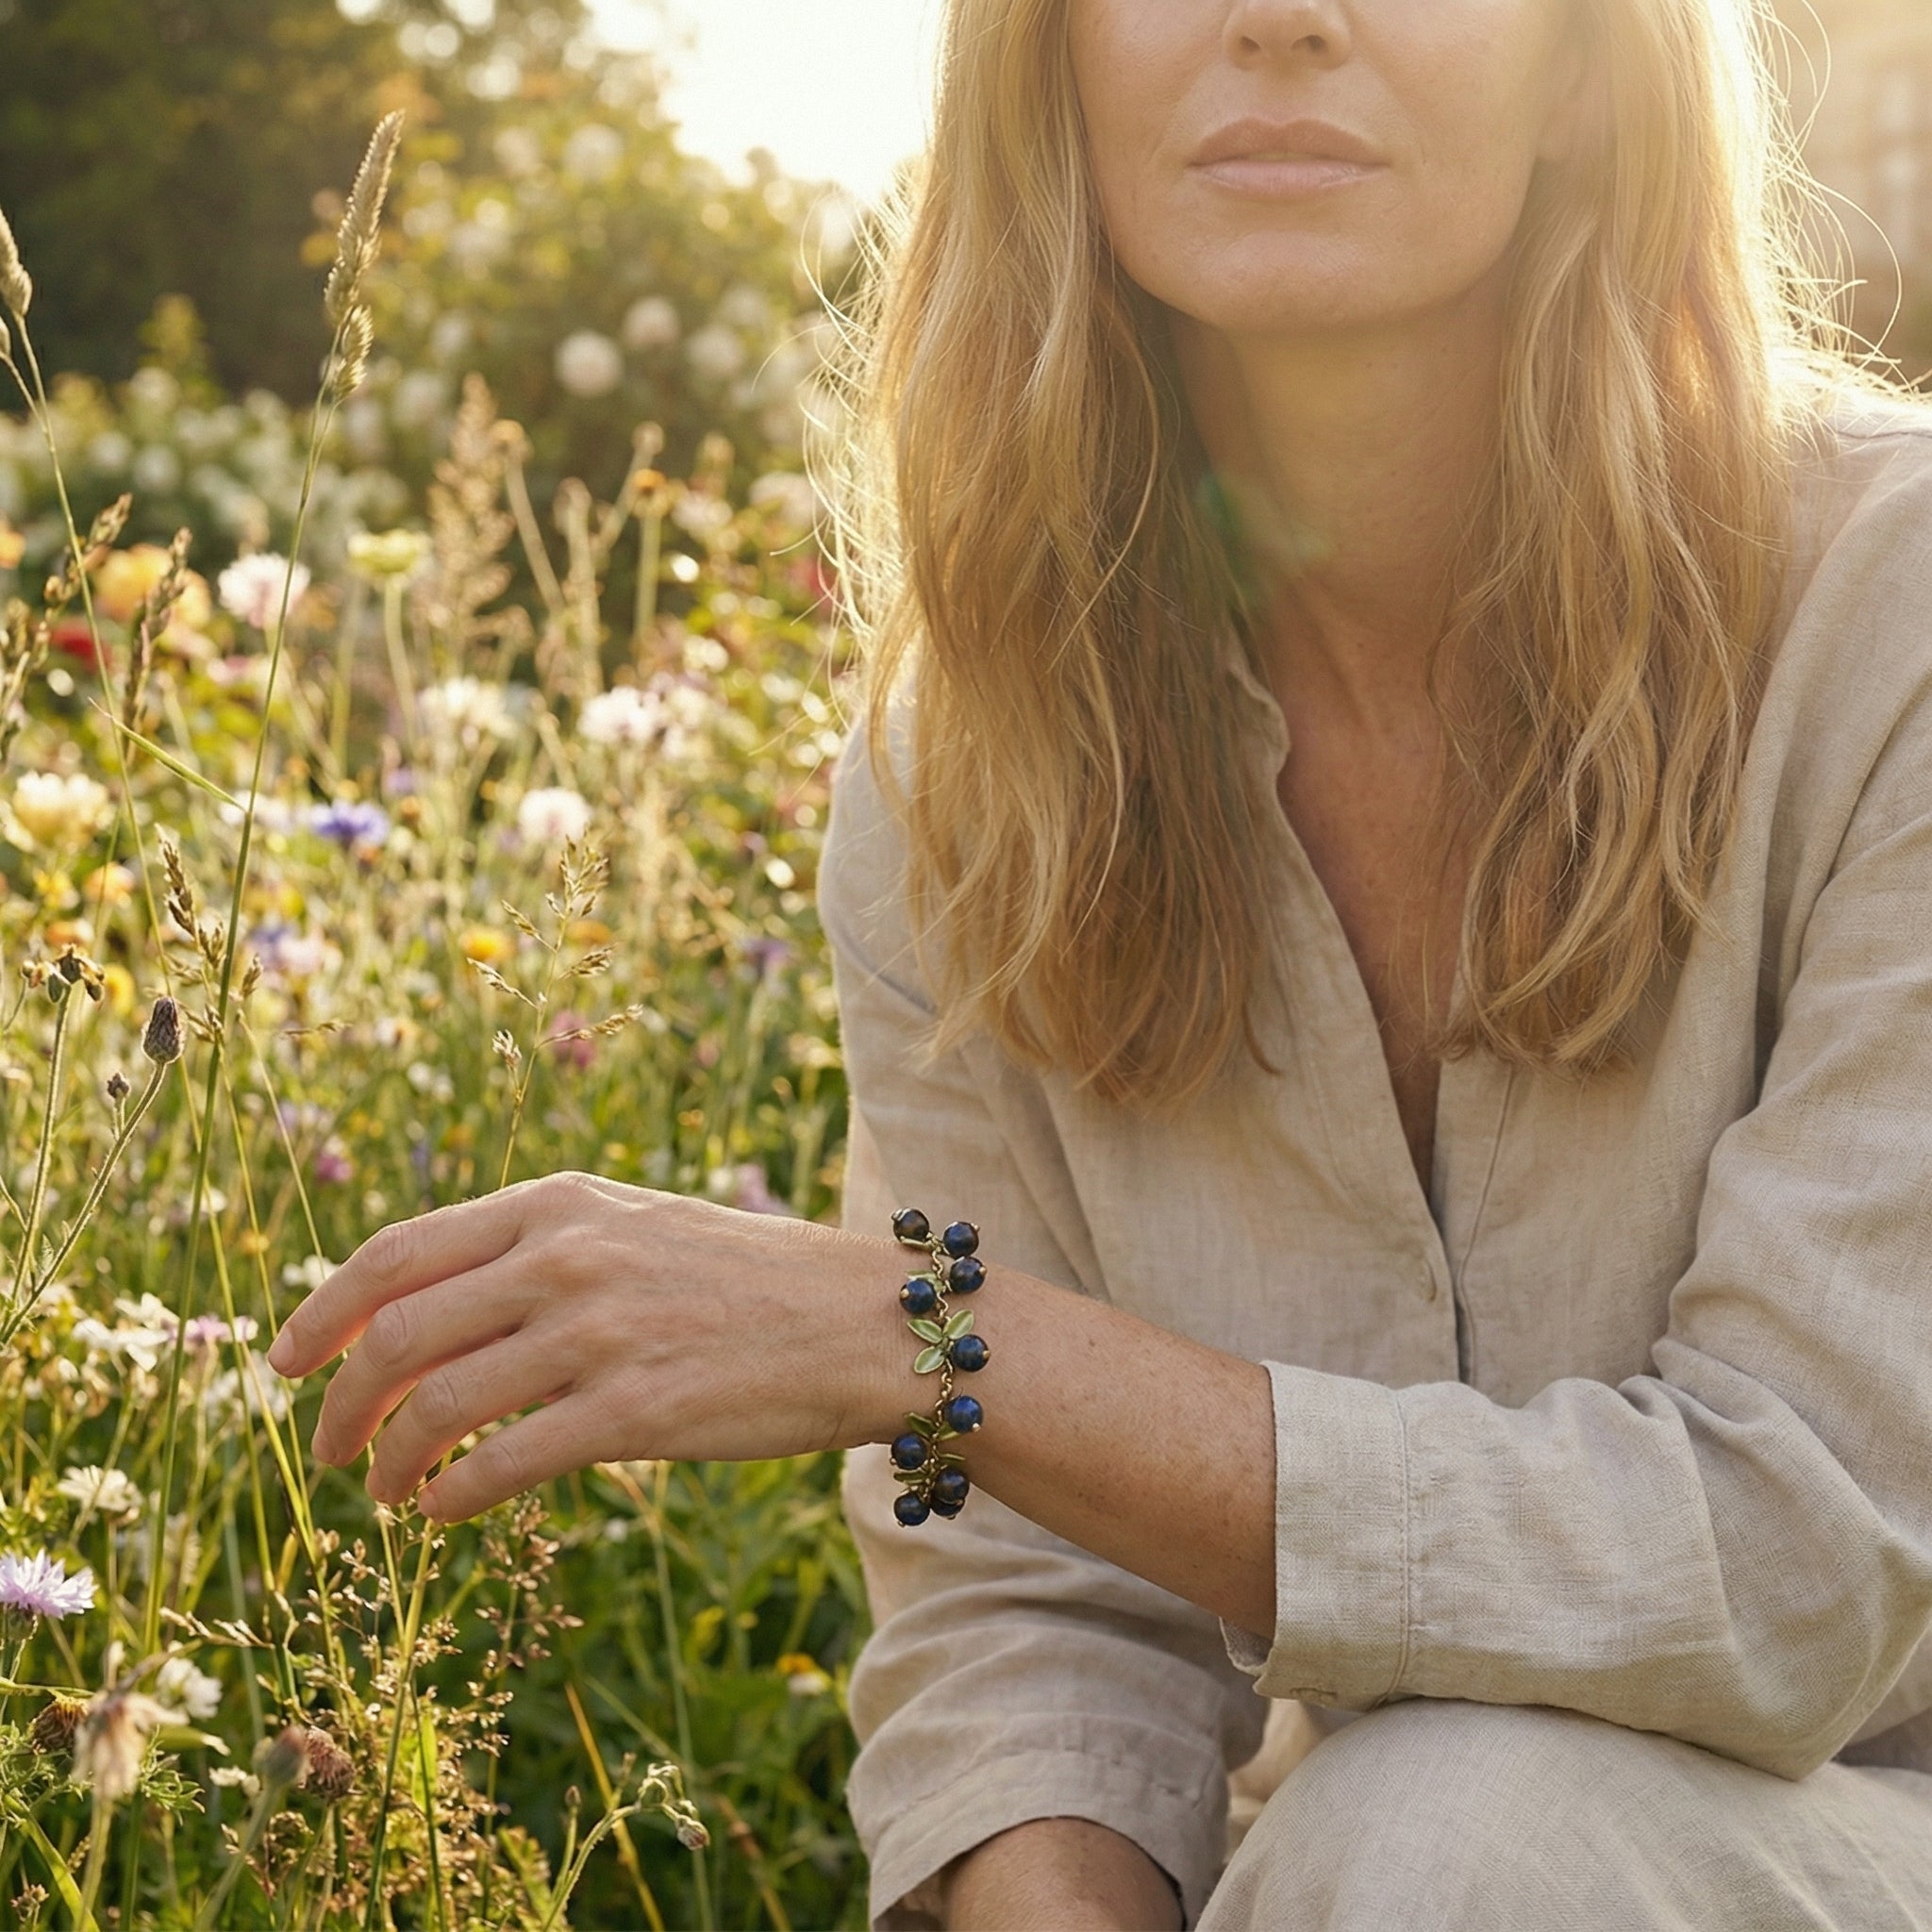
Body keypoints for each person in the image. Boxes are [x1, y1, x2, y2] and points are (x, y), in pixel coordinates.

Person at [267, 0, 1932, 1924]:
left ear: (1585, 67)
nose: (1280, 19)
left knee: (1450, 1829)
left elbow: (1791, 1569)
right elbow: (1035, 1632)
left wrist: (930, 1340)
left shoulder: (1884, 625)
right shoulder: (965, 776)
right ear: (1044, 58)